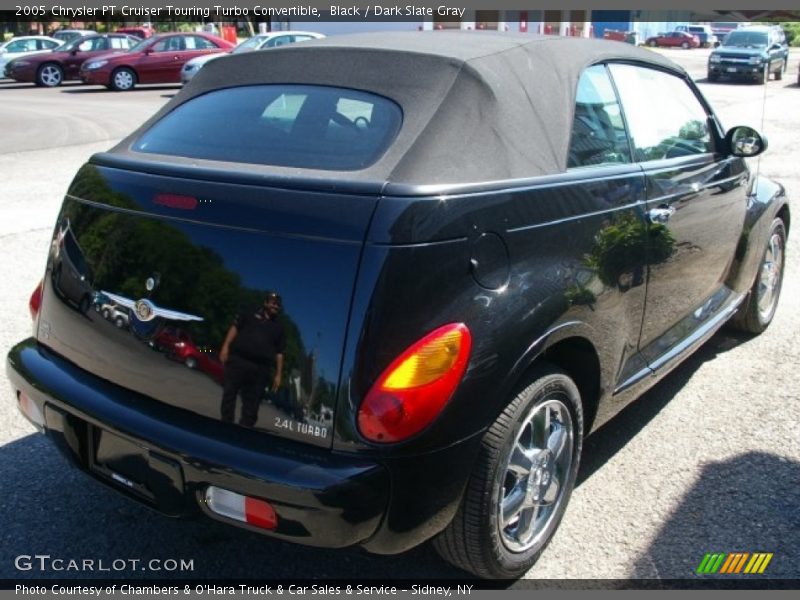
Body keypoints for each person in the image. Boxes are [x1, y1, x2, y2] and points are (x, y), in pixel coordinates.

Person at [219, 292, 285, 427]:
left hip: (261, 369)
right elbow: (235, 327)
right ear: (265, 303)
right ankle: (226, 426)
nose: (275, 306)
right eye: (273, 302)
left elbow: (279, 352)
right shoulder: (249, 312)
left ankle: (244, 432)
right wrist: (225, 346)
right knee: (229, 395)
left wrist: (278, 374)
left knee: (252, 406)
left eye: (278, 304)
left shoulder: (279, 328)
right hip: (239, 361)